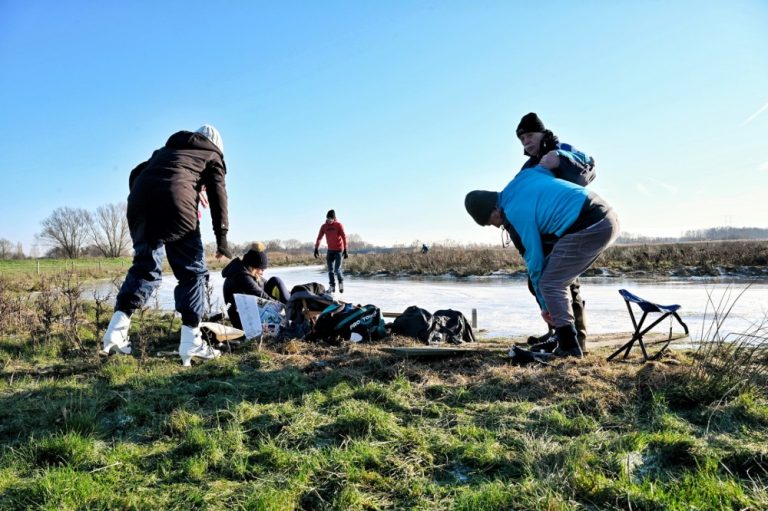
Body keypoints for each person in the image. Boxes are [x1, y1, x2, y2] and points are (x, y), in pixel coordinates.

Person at [101, 125, 231, 366]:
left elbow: (136, 172)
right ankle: (191, 340)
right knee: (193, 273)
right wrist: (222, 236)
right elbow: (218, 193)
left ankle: (116, 332)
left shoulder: (167, 150)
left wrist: (152, 198)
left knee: (145, 268)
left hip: (139, 203)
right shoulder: (212, 154)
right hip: (175, 202)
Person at [464, 166, 619, 358]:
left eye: (491, 220)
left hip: (590, 223)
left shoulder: (514, 214)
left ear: (495, 208)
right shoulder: (522, 179)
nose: (496, 226)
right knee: (554, 279)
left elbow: (534, 263)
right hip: (602, 213)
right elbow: (547, 167)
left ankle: (569, 346)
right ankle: (565, 339)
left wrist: (546, 307)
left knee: (551, 282)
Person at [511, 112, 595, 351]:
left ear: (542, 134)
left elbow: (587, 171)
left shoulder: (561, 150)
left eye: (529, 136)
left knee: (568, 284)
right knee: (538, 281)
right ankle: (557, 333)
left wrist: (559, 159)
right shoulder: (530, 165)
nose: (526, 141)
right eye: (521, 139)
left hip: (572, 225)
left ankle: (577, 338)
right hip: (547, 231)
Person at [222, 242, 290, 330]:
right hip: (245, 324)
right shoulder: (241, 276)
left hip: (252, 313)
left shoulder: (244, 272)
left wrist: (290, 294)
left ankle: (293, 306)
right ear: (252, 266)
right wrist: (280, 306)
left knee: (275, 281)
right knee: (282, 326)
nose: (262, 272)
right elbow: (260, 294)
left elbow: (266, 284)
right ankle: (291, 312)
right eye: (260, 269)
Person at [314, 209, 348, 293]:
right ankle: (332, 286)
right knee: (330, 270)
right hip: (330, 250)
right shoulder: (324, 226)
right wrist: (316, 248)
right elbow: (319, 238)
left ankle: (340, 283)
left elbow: (344, 237)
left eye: (330, 218)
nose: (329, 220)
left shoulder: (338, 225)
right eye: (327, 218)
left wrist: (346, 249)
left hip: (339, 250)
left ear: (334, 218)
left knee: (337, 270)